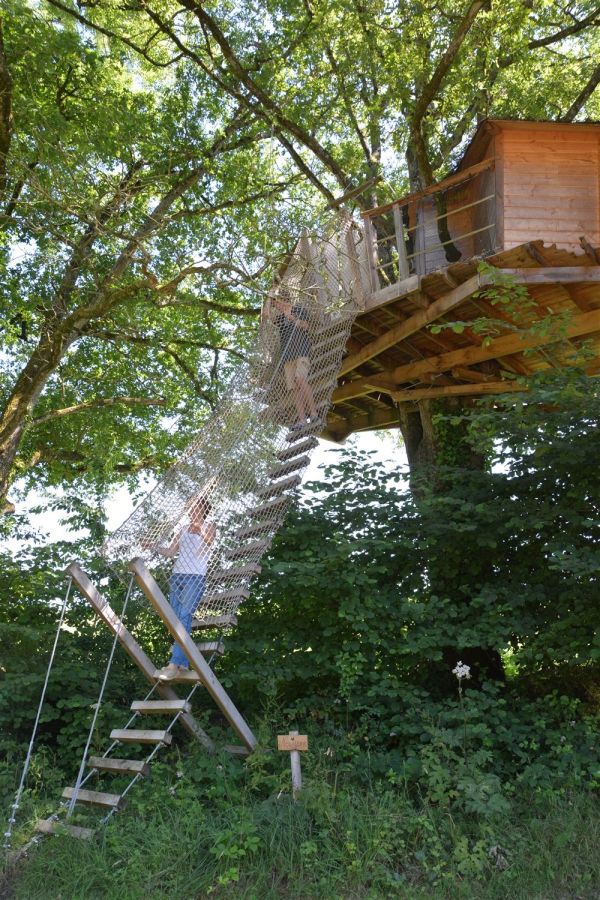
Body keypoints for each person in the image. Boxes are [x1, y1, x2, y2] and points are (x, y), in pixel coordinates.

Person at [154, 497, 216, 681]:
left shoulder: (209, 526)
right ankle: (183, 663)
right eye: (190, 508)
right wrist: (154, 547)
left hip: (195, 577)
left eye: (195, 508)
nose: (191, 511)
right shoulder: (182, 529)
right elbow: (171, 552)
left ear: (203, 509)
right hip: (177, 576)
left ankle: (174, 664)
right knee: (175, 618)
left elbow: (211, 542)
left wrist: (201, 531)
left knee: (184, 616)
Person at [269, 290, 320, 429]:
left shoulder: (298, 309)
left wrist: (290, 316)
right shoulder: (279, 318)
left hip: (301, 351)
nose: (276, 306)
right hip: (288, 356)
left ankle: (314, 413)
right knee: (294, 388)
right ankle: (302, 420)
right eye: (274, 304)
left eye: (277, 302)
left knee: (300, 379)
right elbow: (266, 316)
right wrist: (269, 295)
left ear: (284, 299)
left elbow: (305, 326)